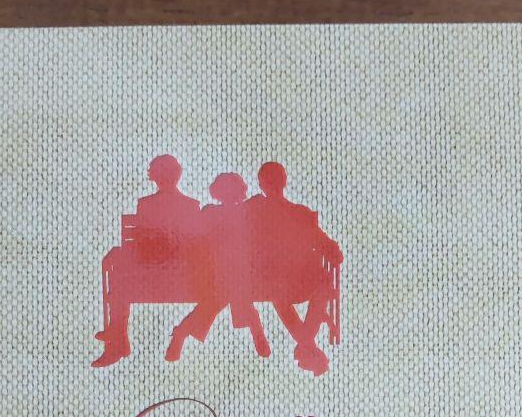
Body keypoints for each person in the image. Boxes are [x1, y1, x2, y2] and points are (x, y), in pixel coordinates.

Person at [94, 154, 202, 366]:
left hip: (160, 279)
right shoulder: (191, 205)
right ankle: (118, 338)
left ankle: (118, 339)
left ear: (156, 176)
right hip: (180, 278)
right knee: (121, 277)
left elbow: (143, 244)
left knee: (120, 281)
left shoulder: (147, 204)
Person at [246, 161, 342, 376]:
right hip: (293, 281)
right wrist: (332, 250)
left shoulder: (254, 210)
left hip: (275, 281)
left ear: (261, 184)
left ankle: (307, 347)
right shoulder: (300, 213)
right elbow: (325, 244)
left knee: (285, 291)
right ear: (284, 182)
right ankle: (307, 346)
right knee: (321, 284)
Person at [165, 172, 270, 362]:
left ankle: (181, 332)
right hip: (215, 270)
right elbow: (197, 240)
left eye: (233, 190)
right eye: (226, 190)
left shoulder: (243, 210)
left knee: (220, 298)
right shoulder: (213, 212)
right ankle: (257, 330)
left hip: (237, 272)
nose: (230, 195)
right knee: (233, 294)